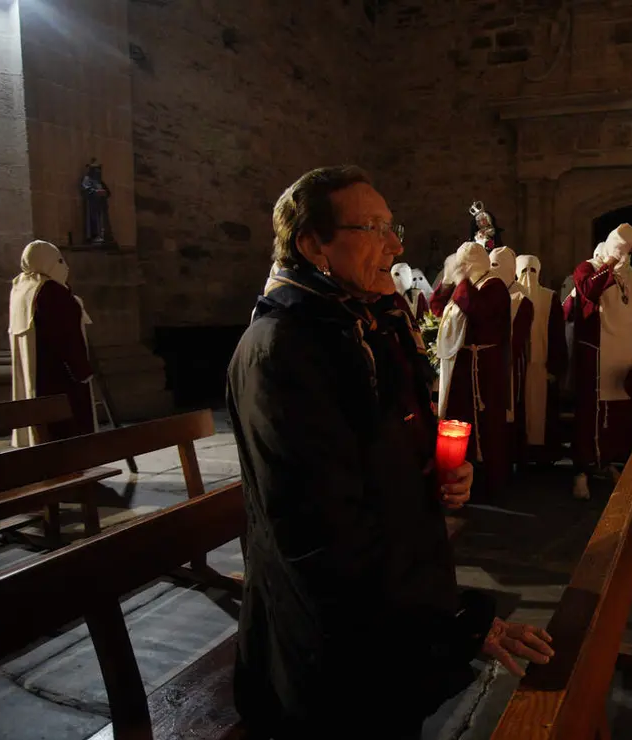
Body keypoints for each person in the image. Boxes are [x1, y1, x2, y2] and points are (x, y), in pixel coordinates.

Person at [227, 167, 553, 738]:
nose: (396, 246)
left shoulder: (362, 323)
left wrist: (436, 470)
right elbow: (326, 536)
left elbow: (382, 454)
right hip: (338, 656)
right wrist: (453, 624)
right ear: (313, 245)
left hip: (387, 622)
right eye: (372, 228)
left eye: (391, 226)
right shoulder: (285, 351)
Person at [569, 225, 632, 500]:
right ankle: (582, 470)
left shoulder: (631, 273)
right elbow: (588, 290)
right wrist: (610, 262)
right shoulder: (588, 267)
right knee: (590, 413)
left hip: (622, 353)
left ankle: (607, 461)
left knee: (616, 414)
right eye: (619, 248)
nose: (623, 254)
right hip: (596, 352)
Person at [435, 242, 513, 500]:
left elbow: (478, 311)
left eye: (465, 265)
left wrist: (461, 282)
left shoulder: (493, 285)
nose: (462, 269)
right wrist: (448, 282)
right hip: (463, 364)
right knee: (460, 417)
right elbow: (438, 308)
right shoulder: (466, 285)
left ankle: (489, 480)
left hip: (484, 367)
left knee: (486, 423)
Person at [9, 240, 97, 445]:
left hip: (36, 375)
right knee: (68, 432)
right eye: (59, 261)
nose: (65, 267)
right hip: (59, 378)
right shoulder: (51, 291)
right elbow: (66, 335)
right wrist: (82, 371)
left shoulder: (21, 288)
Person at [517, 255, 568, 464]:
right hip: (520, 368)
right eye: (523, 271)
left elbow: (557, 334)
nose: (528, 276)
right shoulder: (512, 295)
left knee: (544, 415)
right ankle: (521, 454)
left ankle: (544, 456)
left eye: (532, 270)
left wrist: (554, 367)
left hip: (542, 367)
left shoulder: (549, 297)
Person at [489, 247, 533, 468]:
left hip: (510, 364)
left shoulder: (521, 297)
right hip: (490, 361)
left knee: (510, 408)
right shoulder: (487, 291)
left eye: (497, 265)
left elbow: (518, 337)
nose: (493, 270)